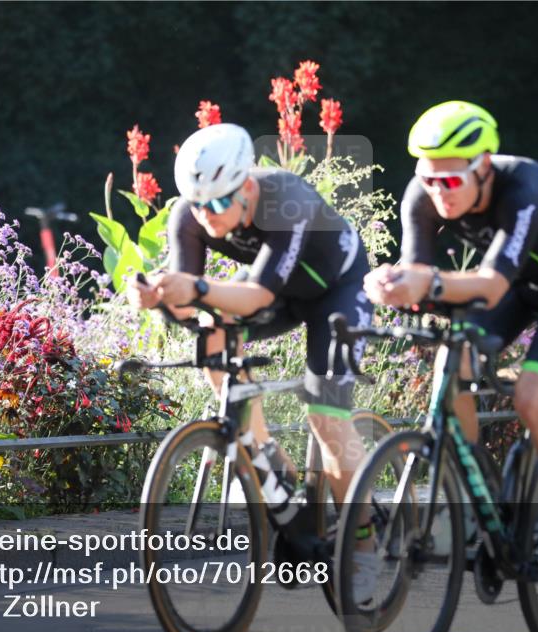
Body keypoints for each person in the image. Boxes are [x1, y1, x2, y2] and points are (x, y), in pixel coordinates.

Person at [126, 123, 380, 602]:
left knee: (326, 417)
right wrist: (157, 295)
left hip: (337, 290)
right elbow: (188, 304)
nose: (207, 216)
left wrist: (196, 290)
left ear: (246, 187)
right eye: (198, 204)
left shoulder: (286, 197)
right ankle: (265, 462)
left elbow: (258, 293)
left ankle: (364, 537)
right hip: (282, 291)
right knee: (211, 331)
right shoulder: (190, 213)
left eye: (219, 203)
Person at [365, 101, 538, 594]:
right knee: (449, 367)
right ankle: (483, 503)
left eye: (451, 182)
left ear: (483, 166)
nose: (439, 194)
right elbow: (418, 273)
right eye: (429, 180)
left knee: (533, 399)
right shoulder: (424, 194)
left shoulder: (525, 187)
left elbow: (492, 286)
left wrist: (422, 283)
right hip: (514, 284)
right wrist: (390, 287)